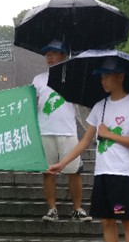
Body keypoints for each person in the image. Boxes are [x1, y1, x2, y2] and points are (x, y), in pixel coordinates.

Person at [47, 57, 129, 242]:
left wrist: (110, 135)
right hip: (103, 174)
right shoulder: (100, 106)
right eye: (101, 76)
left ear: (120, 76)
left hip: (122, 175)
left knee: (126, 220)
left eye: (107, 76)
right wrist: (62, 164)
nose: (103, 80)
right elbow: (84, 141)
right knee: (106, 221)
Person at [33, 39, 91, 222]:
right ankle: (52, 209)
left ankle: (77, 209)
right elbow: (33, 103)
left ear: (64, 55)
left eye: (54, 53)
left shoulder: (72, 78)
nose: (49, 57)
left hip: (67, 131)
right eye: (47, 53)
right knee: (48, 171)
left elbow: (82, 99)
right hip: (45, 130)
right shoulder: (39, 79)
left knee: (74, 171)